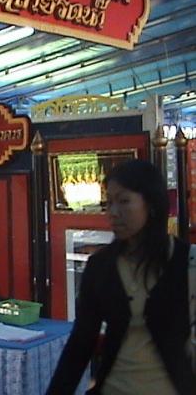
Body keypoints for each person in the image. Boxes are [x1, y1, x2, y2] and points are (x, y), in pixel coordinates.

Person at [46, 159, 195, 394]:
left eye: (124, 201)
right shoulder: (100, 267)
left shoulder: (186, 262)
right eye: (109, 203)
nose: (113, 212)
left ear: (151, 204)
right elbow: (81, 343)